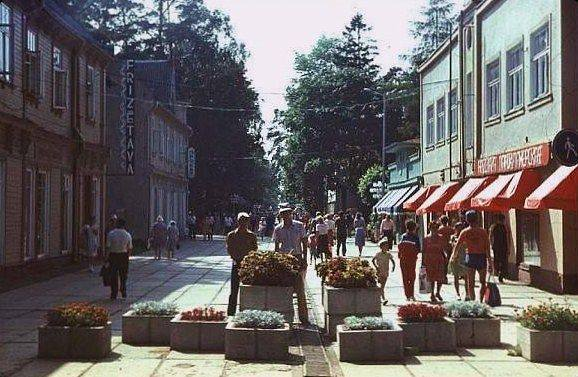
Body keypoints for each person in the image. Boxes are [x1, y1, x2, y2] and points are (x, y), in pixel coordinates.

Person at [273, 206, 309, 325]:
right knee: (284, 288)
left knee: (300, 288)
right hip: (284, 259)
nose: (286, 216)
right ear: (281, 216)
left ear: (291, 214)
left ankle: (303, 317)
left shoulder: (299, 226)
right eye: (283, 214)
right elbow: (276, 247)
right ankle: (285, 316)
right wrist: (276, 262)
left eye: (288, 214)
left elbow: (304, 242)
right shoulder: (278, 229)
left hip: (297, 258)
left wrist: (304, 258)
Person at [452, 210, 492, 302]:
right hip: (481, 257)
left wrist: (454, 257)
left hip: (470, 256)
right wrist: (490, 262)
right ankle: (481, 302)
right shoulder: (483, 232)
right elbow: (487, 248)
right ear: (477, 219)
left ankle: (473, 302)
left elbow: (457, 245)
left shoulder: (465, 232)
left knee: (471, 283)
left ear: (467, 220)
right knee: (482, 282)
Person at [226, 212, 258, 316]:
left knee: (249, 290)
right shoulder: (231, 235)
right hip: (236, 264)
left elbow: (255, 250)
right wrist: (236, 258)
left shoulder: (252, 236)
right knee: (234, 290)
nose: (244, 223)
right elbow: (229, 249)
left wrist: (250, 261)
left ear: (248, 222)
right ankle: (231, 314)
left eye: (246, 221)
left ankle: (248, 313)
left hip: (248, 265)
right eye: (242, 221)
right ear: (238, 221)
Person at [106, 218, 132, 300]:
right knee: (123, 274)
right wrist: (128, 256)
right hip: (123, 255)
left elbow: (108, 247)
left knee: (113, 274)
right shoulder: (127, 235)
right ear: (124, 225)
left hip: (113, 255)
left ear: (117, 224)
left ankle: (114, 293)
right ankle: (123, 290)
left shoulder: (111, 233)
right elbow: (130, 248)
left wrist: (106, 257)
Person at [423, 221, 447, 303]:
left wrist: (446, 257)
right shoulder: (426, 238)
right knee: (431, 278)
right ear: (430, 228)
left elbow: (443, 249)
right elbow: (424, 251)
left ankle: (438, 292)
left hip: (439, 258)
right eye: (433, 228)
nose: (434, 230)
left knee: (440, 278)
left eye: (436, 228)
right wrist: (423, 262)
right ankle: (432, 294)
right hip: (429, 259)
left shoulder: (441, 237)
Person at [398, 219, 421, 301]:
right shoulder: (416, 237)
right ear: (414, 228)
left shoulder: (403, 236)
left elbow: (399, 247)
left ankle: (408, 295)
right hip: (412, 259)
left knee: (405, 277)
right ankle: (411, 294)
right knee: (411, 277)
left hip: (403, 259)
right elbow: (418, 249)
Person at [372, 238, 396, 305]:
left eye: (387, 246)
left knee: (382, 286)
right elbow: (373, 260)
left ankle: (379, 298)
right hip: (379, 272)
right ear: (381, 247)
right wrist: (376, 267)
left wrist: (393, 266)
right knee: (381, 286)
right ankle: (383, 299)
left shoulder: (388, 254)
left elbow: (392, 261)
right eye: (385, 246)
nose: (386, 247)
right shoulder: (378, 254)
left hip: (385, 272)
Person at [449, 221, 468, 299]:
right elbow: (451, 247)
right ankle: (458, 294)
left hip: (464, 258)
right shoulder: (453, 237)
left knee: (466, 277)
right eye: (458, 228)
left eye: (461, 228)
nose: (460, 230)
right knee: (456, 277)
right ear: (455, 229)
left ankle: (467, 294)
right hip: (456, 259)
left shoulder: (466, 237)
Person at [489, 214, 509, 282]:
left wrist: (491, 244)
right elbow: (506, 237)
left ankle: (498, 272)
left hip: (496, 246)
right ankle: (500, 273)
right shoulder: (503, 227)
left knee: (497, 260)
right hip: (503, 246)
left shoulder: (493, 226)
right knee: (503, 261)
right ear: (503, 219)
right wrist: (508, 247)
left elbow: (490, 236)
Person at [438, 215, 454, 283]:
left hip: (441, 247)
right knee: (446, 263)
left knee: (441, 262)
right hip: (448, 247)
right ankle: (445, 276)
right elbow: (454, 235)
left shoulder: (439, 229)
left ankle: (442, 276)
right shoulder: (450, 229)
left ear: (441, 221)